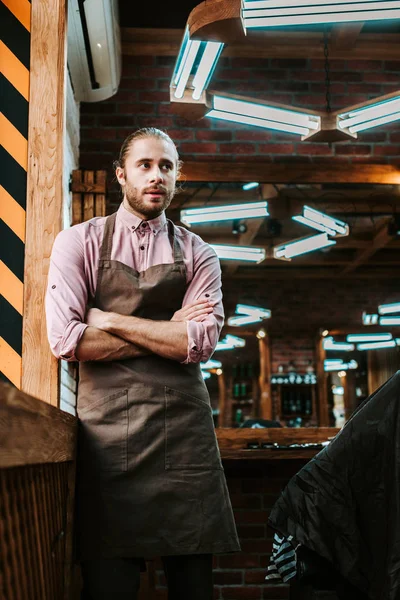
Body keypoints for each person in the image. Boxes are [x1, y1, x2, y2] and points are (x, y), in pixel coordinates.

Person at [45, 127, 240, 600]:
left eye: (167, 167)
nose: (157, 176)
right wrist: (165, 331)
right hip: (108, 443)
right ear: (121, 175)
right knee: (109, 587)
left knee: (194, 588)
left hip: (186, 438)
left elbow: (198, 343)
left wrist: (109, 319)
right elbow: (67, 340)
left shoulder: (200, 253)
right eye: (145, 165)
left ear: (177, 177)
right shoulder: (79, 243)